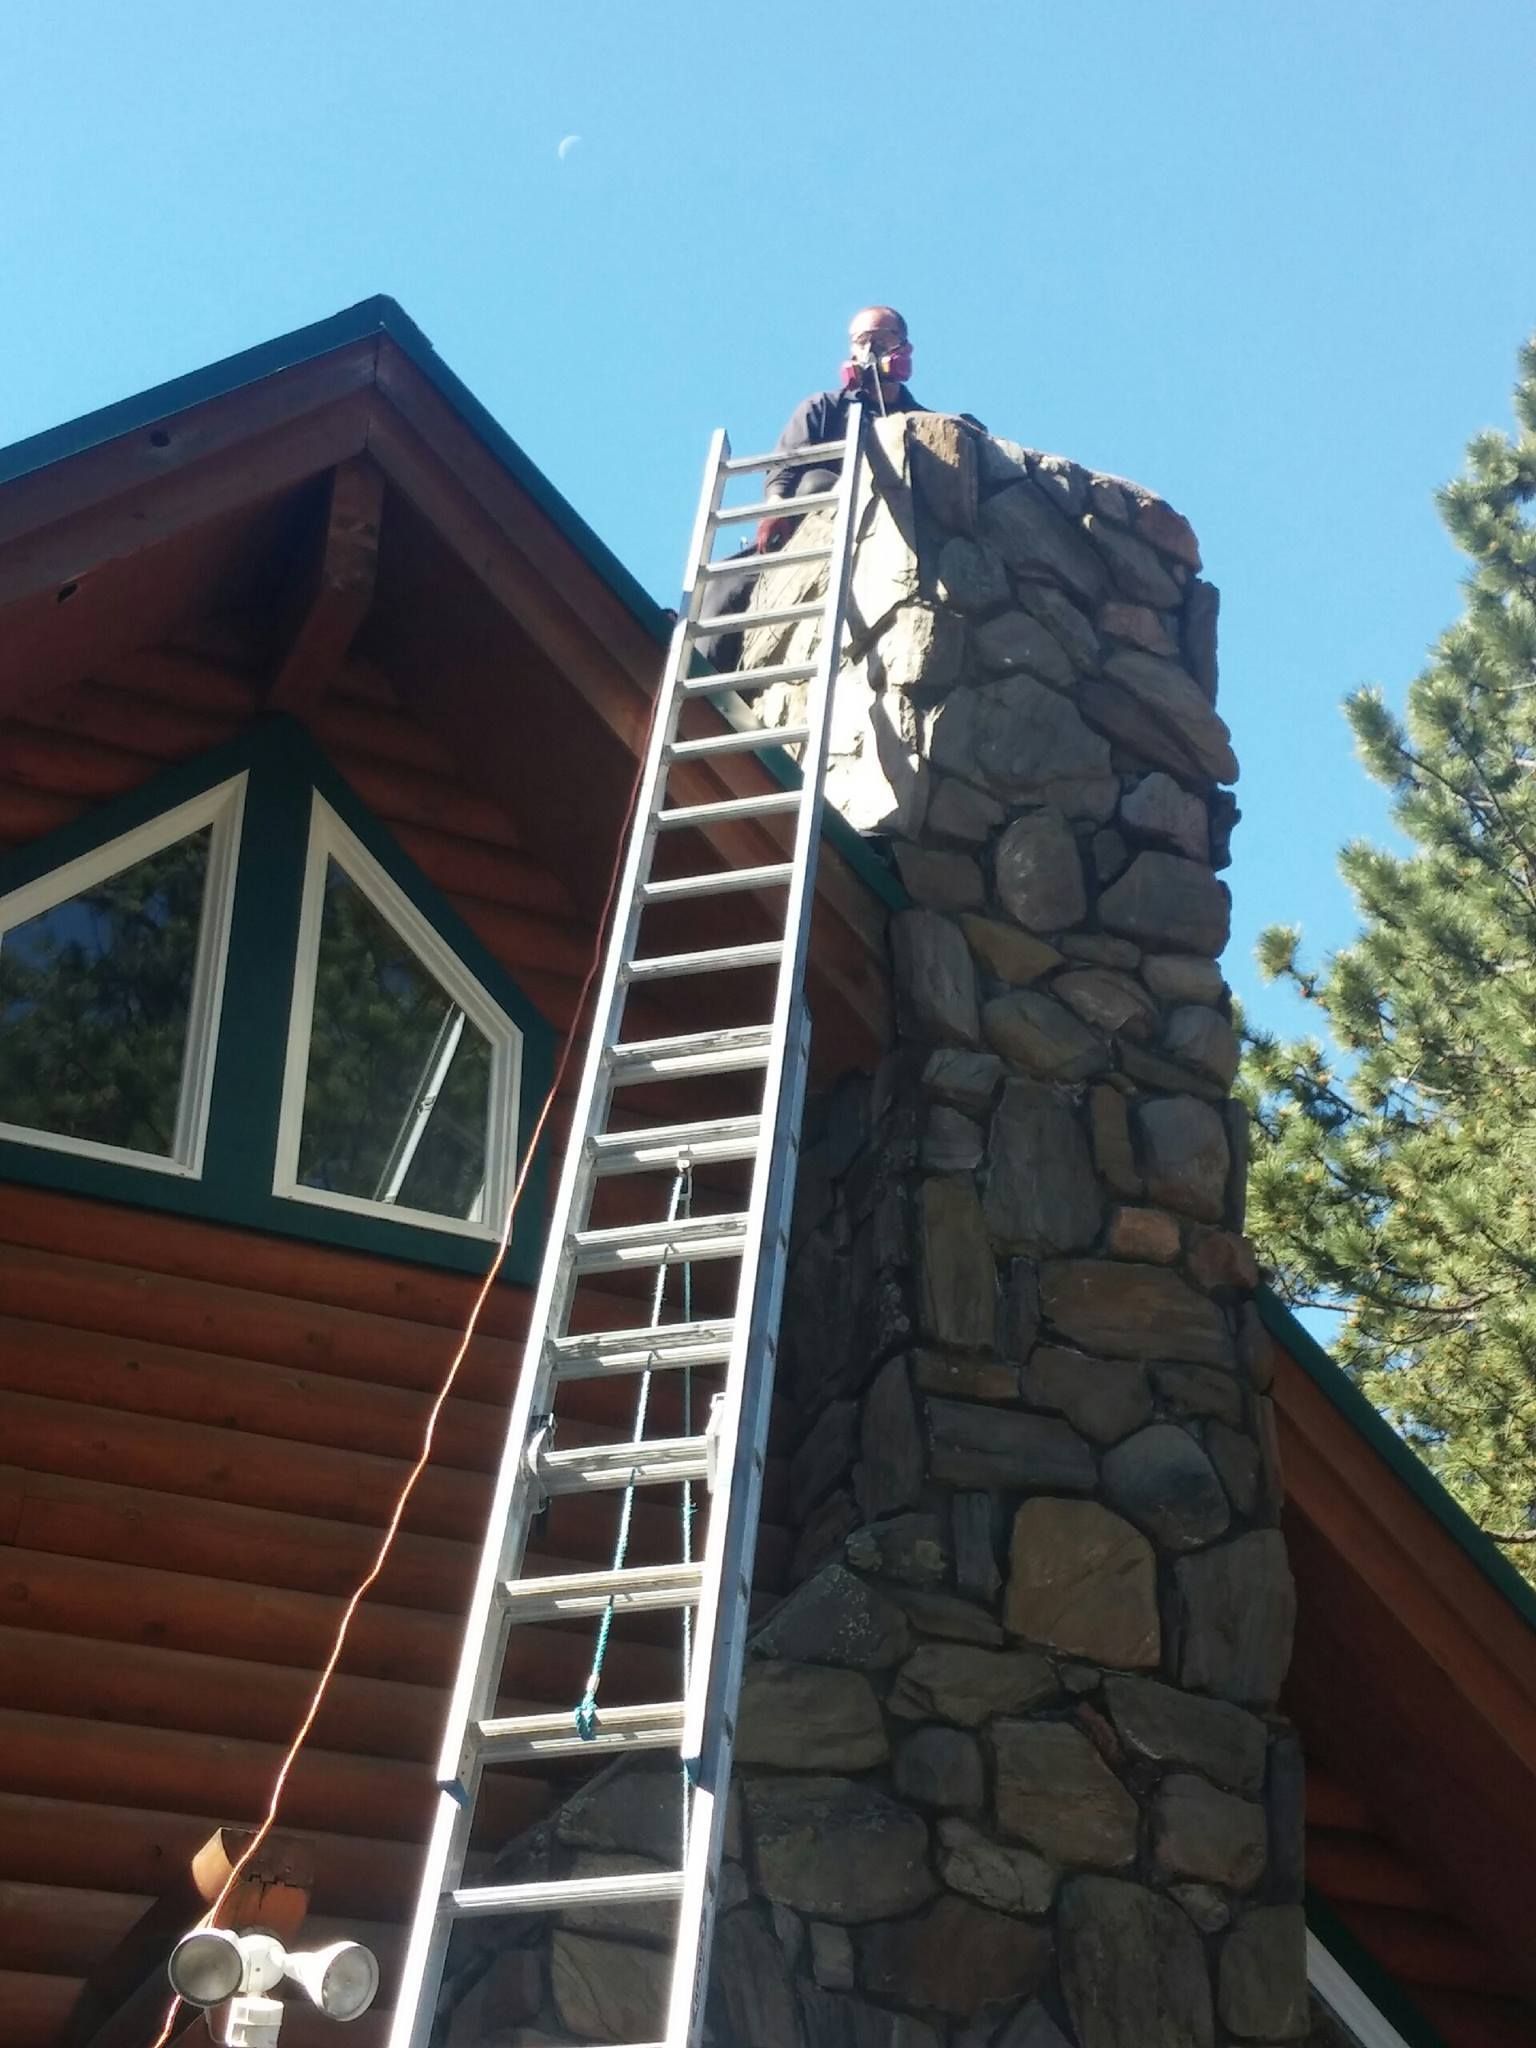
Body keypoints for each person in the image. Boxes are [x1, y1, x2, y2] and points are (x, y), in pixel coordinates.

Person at [696, 306, 926, 671]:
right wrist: (775, 509)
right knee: (725, 584)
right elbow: (786, 465)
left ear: (904, 349)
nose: (871, 350)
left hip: (888, 535)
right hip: (803, 535)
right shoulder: (823, 408)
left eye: (882, 340)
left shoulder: (921, 426)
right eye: (862, 341)